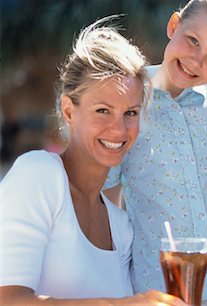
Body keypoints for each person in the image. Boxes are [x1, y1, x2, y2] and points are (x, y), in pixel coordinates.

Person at [0, 17, 186, 306]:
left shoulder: (121, 226)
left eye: (131, 113)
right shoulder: (37, 175)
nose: (118, 129)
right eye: (103, 110)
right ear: (69, 111)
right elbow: (7, 300)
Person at [103, 1, 207, 304]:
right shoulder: (127, 102)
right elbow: (102, 192)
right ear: (174, 26)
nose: (196, 61)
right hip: (158, 285)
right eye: (193, 41)